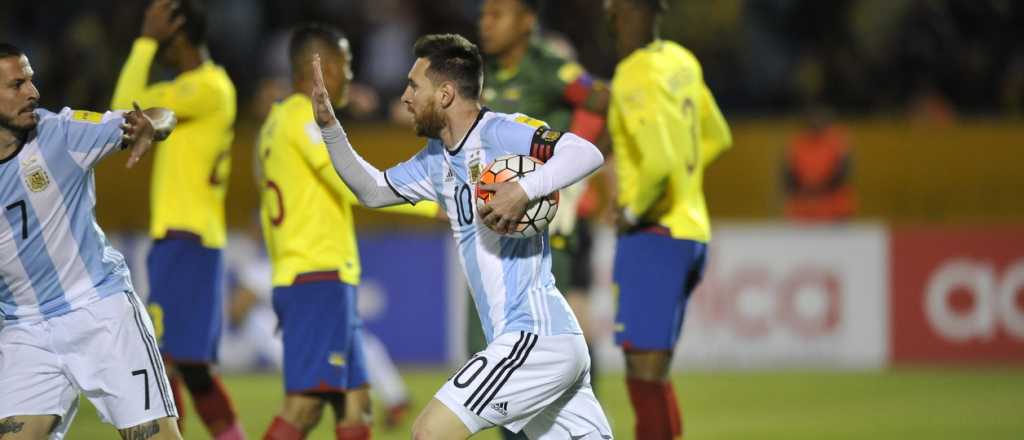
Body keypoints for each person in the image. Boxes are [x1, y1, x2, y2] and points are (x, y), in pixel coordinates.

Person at [313, 33, 613, 439]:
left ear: (446, 93)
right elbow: (373, 190)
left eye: (414, 86)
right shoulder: (436, 160)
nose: (405, 98)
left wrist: (523, 190)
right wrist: (331, 128)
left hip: (534, 336)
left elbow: (586, 153)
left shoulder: (502, 132)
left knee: (430, 433)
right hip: (535, 342)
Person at [257, 23, 439, 440]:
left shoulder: (276, 120)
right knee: (303, 409)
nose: (352, 75)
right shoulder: (304, 119)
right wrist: (434, 206)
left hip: (319, 275)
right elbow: (356, 184)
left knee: (356, 408)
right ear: (324, 67)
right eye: (348, 64)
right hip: (314, 276)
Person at [0, 42, 182, 440]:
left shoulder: (61, 133)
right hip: (23, 329)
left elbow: (157, 115)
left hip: (99, 310)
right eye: (18, 84)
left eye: (31, 80)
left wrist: (153, 125)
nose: (34, 92)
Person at [110, 1, 241, 438]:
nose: (159, 52)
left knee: (167, 363)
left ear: (178, 36)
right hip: (181, 238)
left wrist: (144, 41)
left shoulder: (207, 87)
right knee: (186, 365)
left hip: (190, 237)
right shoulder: (197, 88)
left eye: (163, 41)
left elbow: (120, 111)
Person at [476, 6, 610, 429]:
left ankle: (580, 425)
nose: (486, 23)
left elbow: (601, 99)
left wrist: (571, 178)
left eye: (497, 14)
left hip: (543, 224)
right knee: (504, 340)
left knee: (553, 334)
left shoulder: (547, 66)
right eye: (484, 14)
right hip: (493, 230)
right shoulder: (481, 73)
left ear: (526, 22)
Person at [604, 1, 733, 439]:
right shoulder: (682, 60)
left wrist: (633, 210)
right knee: (653, 377)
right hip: (693, 231)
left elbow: (658, 163)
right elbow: (718, 135)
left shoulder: (632, 74)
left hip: (653, 235)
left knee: (642, 377)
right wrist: (685, 181)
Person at [782, 107, 856, 221]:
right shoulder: (796, 143)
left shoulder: (838, 142)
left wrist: (816, 189)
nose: (816, 121)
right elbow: (788, 176)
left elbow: (842, 174)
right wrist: (804, 190)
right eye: (812, 118)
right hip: (802, 212)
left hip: (835, 211)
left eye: (820, 118)